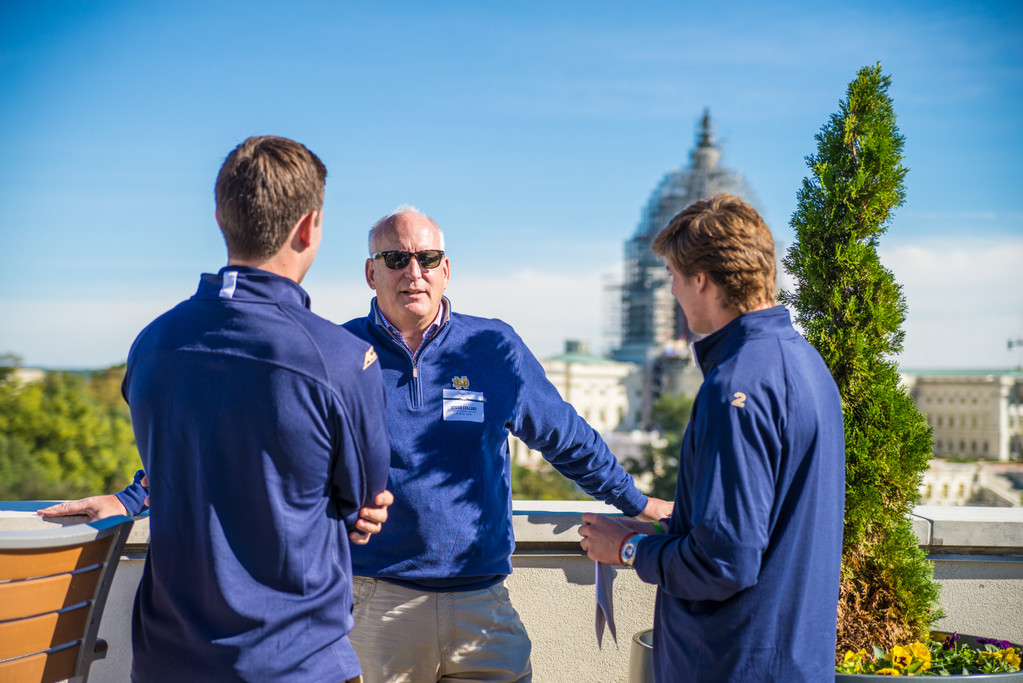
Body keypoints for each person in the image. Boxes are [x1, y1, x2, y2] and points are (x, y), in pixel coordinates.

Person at [42, 136, 392, 682]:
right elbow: (363, 506)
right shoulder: (343, 360)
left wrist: (136, 494)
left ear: (220, 217)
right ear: (310, 226)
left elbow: (181, 460)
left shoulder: (151, 345)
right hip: (295, 664)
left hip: (168, 663)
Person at [339, 205, 673, 683]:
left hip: (483, 602)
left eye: (428, 258)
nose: (414, 272)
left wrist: (636, 502)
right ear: (371, 273)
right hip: (379, 603)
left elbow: (566, 436)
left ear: (446, 270)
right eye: (396, 259)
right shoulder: (340, 352)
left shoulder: (493, 346)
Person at [578, 193, 845, 682]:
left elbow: (726, 562)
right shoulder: (806, 364)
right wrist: (672, 532)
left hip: (731, 661)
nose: (673, 291)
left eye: (673, 277)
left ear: (701, 280)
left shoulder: (735, 387)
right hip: (793, 658)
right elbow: (762, 525)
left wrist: (628, 550)